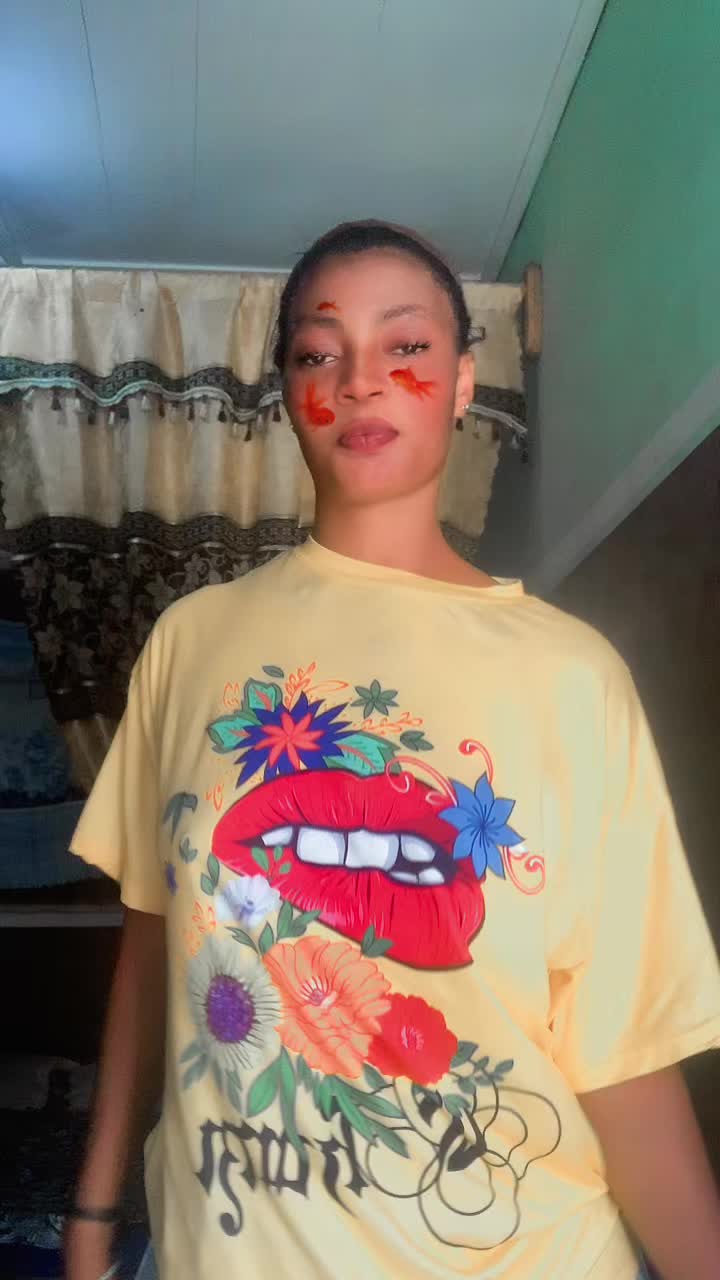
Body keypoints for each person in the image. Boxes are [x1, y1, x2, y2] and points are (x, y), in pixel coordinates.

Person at [65, 221, 720, 1280]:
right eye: (320, 352)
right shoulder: (191, 641)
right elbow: (155, 943)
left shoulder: (574, 674)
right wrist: (94, 1210)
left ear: (462, 385)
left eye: (404, 347)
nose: (360, 380)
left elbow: (622, 1047)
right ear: (290, 394)